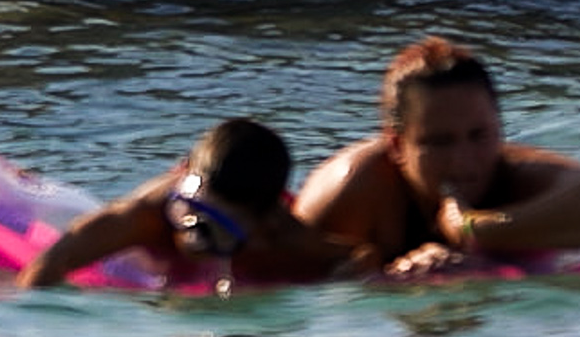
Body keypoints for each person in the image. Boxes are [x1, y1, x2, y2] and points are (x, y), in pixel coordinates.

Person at [297, 39, 580, 275]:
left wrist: (474, 228)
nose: (463, 161)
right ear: (395, 145)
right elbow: (278, 280)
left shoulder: (513, 174)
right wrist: (387, 275)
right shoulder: (353, 189)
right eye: (439, 142)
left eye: (479, 136)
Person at [19, 117, 358, 290]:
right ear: (182, 176)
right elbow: (51, 263)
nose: (193, 232)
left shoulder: (277, 233)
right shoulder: (145, 217)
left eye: (213, 227)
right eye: (190, 213)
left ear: (262, 222)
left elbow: (358, 255)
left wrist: (341, 280)